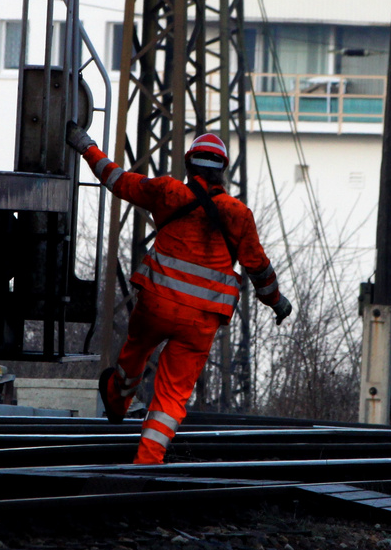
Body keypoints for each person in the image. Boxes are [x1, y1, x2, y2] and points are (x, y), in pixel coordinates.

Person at [66, 122, 293, 464]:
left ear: (189, 164)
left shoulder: (167, 192)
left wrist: (85, 145)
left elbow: (117, 180)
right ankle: (148, 460)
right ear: (223, 173)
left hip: (156, 304)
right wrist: (278, 303)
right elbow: (258, 267)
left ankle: (117, 398)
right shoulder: (238, 214)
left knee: (136, 350)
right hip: (200, 321)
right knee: (173, 393)